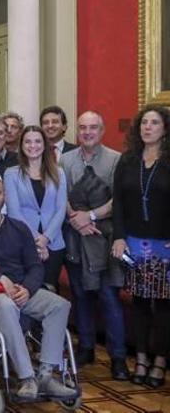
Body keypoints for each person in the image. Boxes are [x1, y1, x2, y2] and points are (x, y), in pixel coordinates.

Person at [0, 176, 79, 402]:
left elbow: (34, 265)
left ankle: (45, 375)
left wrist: (28, 290)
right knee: (5, 303)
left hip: (23, 289)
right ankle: (26, 377)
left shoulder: (20, 228)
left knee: (60, 305)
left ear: (4, 197)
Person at [59, 111, 128, 380]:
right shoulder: (65, 160)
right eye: (83, 128)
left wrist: (90, 216)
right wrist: (75, 219)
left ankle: (118, 357)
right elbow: (60, 194)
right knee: (80, 294)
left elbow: (117, 201)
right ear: (77, 131)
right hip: (75, 237)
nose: (87, 132)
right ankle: (86, 347)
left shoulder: (115, 160)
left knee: (109, 298)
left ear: (102, 130)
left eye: (93, 128)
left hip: (104, 237)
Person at [111, 104, 170, 388]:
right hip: (134, 243)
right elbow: (119, 203)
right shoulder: (127, 160)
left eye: (154, 123)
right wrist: (119, 237)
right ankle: (142, 358)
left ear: (165, 129)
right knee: (139, 305)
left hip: (165, 245)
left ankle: (160, 360)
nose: (148, 127)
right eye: (144, 123)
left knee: (164, 305)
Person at [3, 126, 68, 291]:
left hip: (53, 244)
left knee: (50, 292)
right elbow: (14, 212)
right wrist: (37, 242)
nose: (33, 145)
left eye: (38, 141)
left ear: (45, 145)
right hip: (23, 243)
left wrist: (46, 238)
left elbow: (61, 209)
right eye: (28, 141)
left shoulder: (58, 173)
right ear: (21, 145)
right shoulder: (11, 174)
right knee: (26, 293)